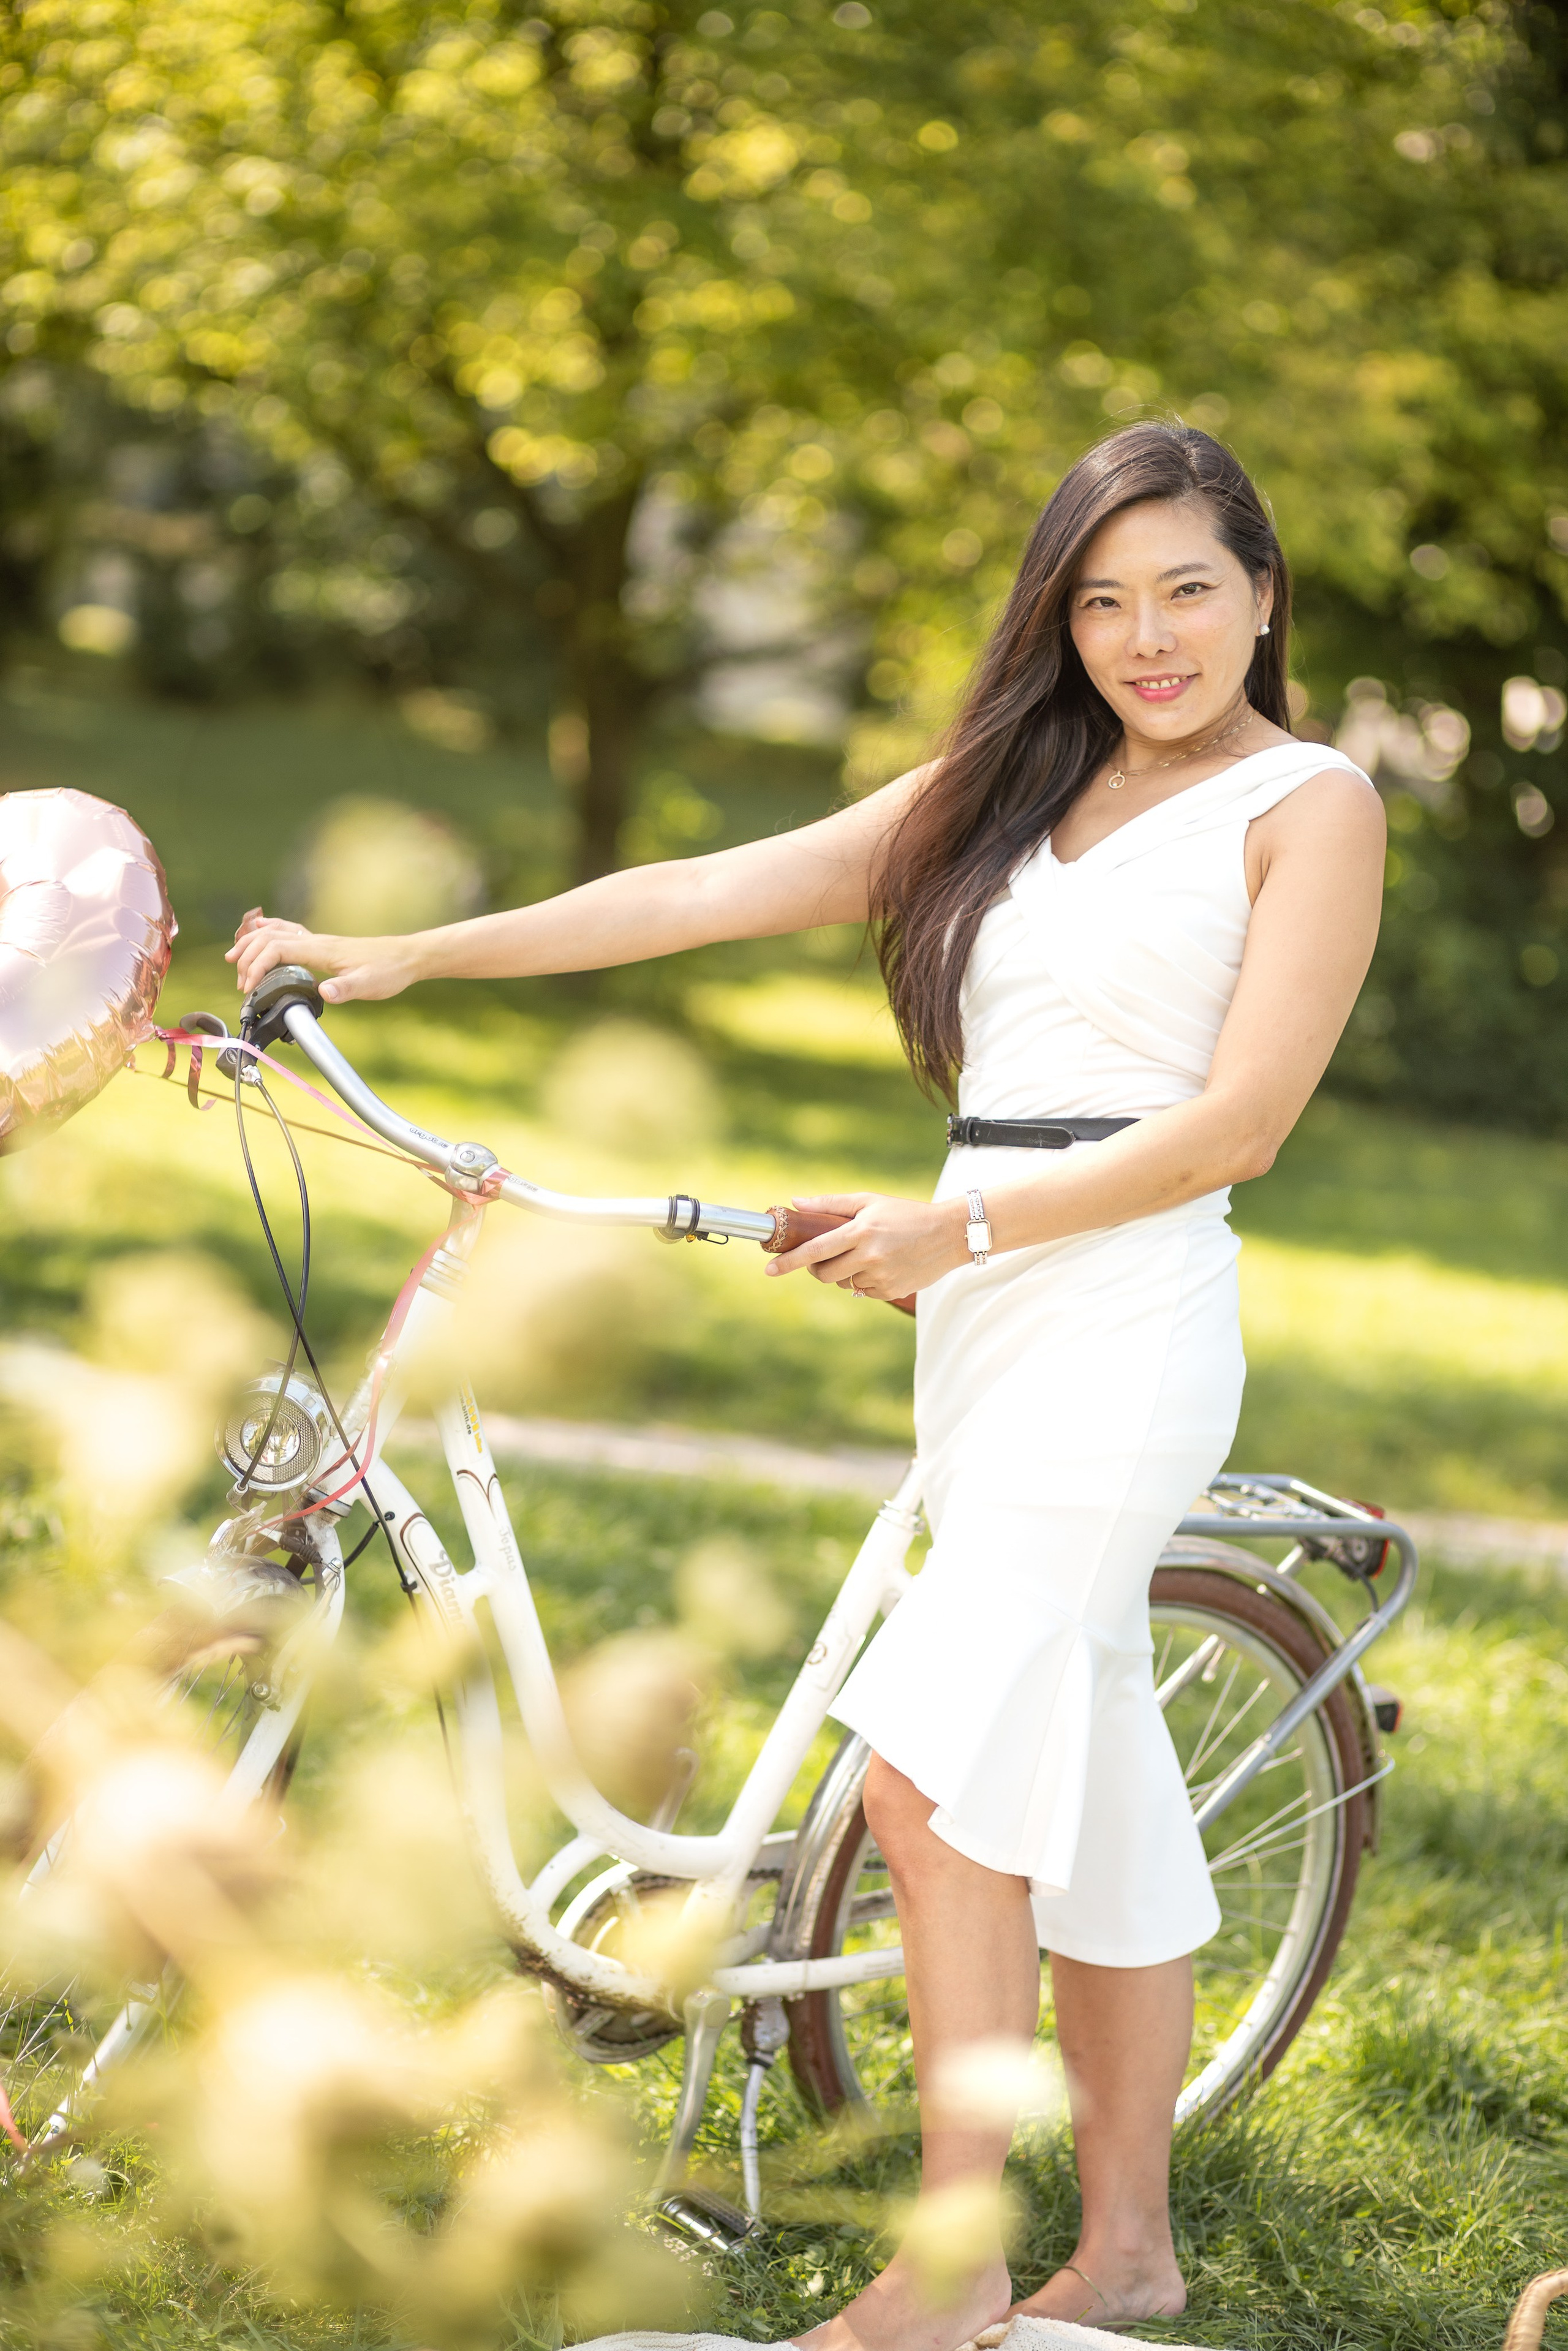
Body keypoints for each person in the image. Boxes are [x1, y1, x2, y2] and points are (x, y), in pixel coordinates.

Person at [230, 421, 1385, 2350]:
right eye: (1102, 599)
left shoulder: (1309, 803)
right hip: (991, 1311)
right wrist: (403, 955)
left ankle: (949, 2278)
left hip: (1122, 1327)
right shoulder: (1018, 785)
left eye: (1189, 589)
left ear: (1265, 595)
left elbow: (1238, 1128)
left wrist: (972, 1228)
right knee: (1087, 1779)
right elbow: (692, 893)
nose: (1146, 637)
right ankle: (1130, 2256)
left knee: (932, 1793)